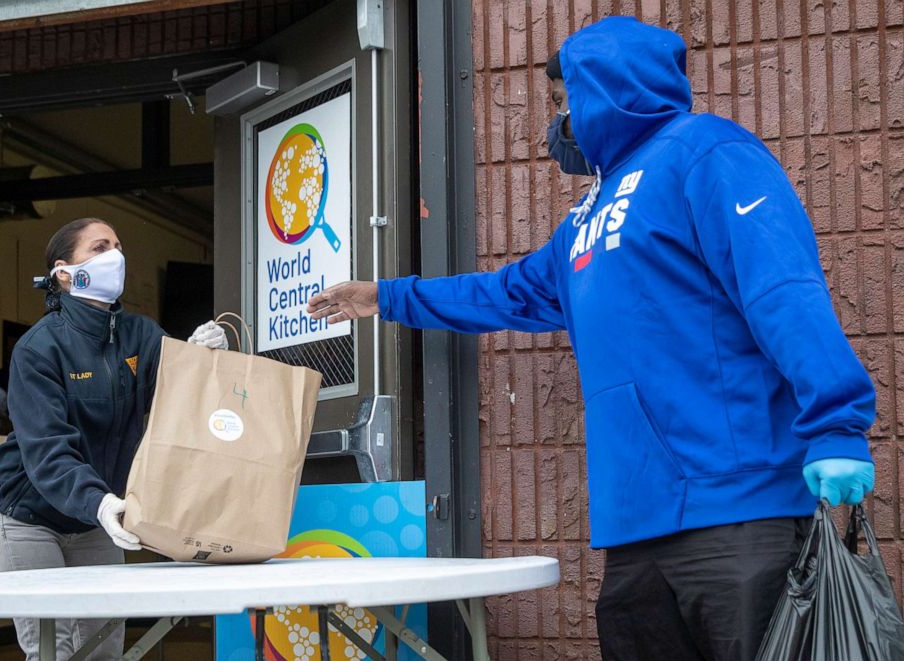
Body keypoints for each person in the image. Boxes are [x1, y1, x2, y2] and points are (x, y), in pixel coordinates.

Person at [308, 17, 876, 661]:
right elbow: (504, 293)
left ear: (607, 87)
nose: (554, 122)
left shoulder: (706, 151)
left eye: (561, 101)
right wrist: (383, 297)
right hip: (634, 526)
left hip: (739, 513)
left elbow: (781, 286)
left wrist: (836, 423)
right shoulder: (583, 221)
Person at [0, 217, 228, 661]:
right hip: (30, 515)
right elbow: (46, 450)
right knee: (50, 649)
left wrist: (201, 357)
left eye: (117, 245)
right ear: (63, 272)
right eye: (99, 247)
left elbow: (180, 399)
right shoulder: (39, 349)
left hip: (99, 517)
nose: (115, 255)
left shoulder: (141, 334)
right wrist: (99, 501)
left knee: (103, 647)